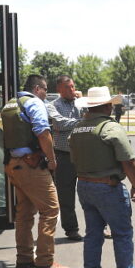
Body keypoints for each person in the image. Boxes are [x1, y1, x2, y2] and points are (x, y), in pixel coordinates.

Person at [69, 87, 135, 268]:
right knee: (122, 234)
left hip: (84, 185)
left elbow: (73, 158)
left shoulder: (78, 128)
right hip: (108, 186)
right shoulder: (110, 128)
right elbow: (128, 161)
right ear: (106, 106)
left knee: (93, 235)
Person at [2, 74, 70, 268]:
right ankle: (45, 260)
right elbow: (42, 132)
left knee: (24, 214)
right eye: (45, 90)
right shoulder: (34, 103)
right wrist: (51, 159)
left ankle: (24, 258)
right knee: (50, 210)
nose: (45, 95)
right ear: (38, 88)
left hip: (14, 164)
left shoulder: (11, 104)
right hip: (31, 165)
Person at [46, 75, 84, 241]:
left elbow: (94, 116)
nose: (72, 90)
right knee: (66, 195)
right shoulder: (52, 106)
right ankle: (71, 229)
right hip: (63, 156)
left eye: (73, 87)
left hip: (84, 155)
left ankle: (100, 226)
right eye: (67, 87)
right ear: (59, 90)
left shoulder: (81, 103)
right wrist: (81, 122)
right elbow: (59, 124)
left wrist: (83, 105)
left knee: (92, 192)